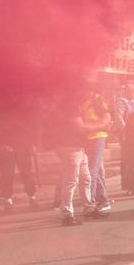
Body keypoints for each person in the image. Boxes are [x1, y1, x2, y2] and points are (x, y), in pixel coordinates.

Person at [54, 96, 92, 226]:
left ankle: (88, 207)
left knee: (86, 178)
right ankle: (67, 215)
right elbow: (80, 127)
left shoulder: (72, 104)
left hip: (78, 147)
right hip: (71, 147)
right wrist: (101, 126)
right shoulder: (70, 105)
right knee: (71, 181)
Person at [81, 88, 112, 216]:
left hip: (97, 136)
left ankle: (91, 203)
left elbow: (106, 118)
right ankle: (103, 200)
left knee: (91, 171)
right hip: (88, 138)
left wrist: (94, 127)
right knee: (97, 170)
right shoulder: (84, 101)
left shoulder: (98, 100)